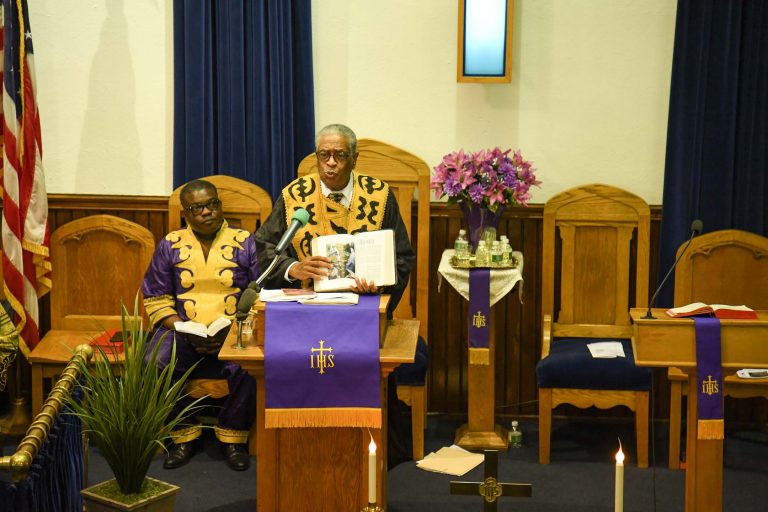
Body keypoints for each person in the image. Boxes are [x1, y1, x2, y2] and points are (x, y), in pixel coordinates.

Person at [254, 123, 416, 467]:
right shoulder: (294, 197)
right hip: (306, 313)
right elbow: (265, 247)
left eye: (339, 155)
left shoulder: (379, 196)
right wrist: (294, 268)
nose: (330, 163)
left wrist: (380, 284)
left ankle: (365, 454)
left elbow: (403, 257)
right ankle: (300, 452)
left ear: (354, 158)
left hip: (363, 312)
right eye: (323, 155)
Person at [142, 179, 257, 471]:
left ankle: (232, 437)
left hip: (235, 329)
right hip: (182, 330)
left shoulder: (246, 241)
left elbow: (261, 293)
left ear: (220, 205)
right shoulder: (170, 244)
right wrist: (182, 327)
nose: (207, 212)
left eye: (212, 204)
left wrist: (234, 329)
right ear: (186, 213)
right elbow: (156, 297)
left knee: (251, 363)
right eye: (197, 208)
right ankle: (184, 435)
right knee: (155, 361)